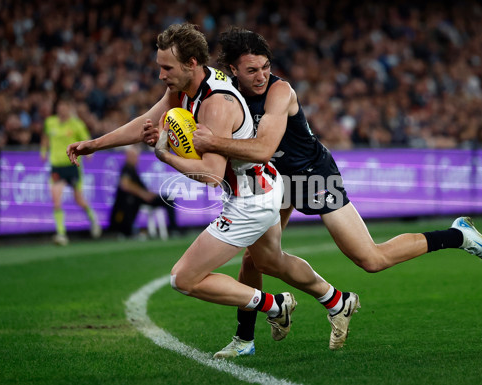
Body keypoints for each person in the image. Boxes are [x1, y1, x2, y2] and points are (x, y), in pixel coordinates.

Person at [190, 27, 482, 358]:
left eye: (266, 66)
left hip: (312, 176)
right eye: (252, 70)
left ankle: (457, 235)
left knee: (370, 258)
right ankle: (245, 340)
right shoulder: (225, 93)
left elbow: (264, 146)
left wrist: (210, 142)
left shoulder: (280, 91)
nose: (262, 75)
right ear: (233, 70)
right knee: (255, 259)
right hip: (274, 181)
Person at [69, 23, 359, 354]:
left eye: (167, 67)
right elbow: (146, 122)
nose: (161, 74)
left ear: (192, 63)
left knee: (184, 278)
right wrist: (95, 144)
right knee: (270, 262)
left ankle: (274, 306)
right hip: (263, 186)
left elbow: (210, 176)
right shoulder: (184, 87)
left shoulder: (215, 104)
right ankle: (337, 301)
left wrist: (166, 156)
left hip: (251, 200)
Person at [41, 96, 101, 246]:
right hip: (56, 167)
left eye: (65, 105)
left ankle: (93, 220)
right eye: (60, 105)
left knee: (78, 200)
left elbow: (87, 140)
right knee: (56, 200)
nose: (62, 109)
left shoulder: (76, 124)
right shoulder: (50, 122)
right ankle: (61, 234)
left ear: (69, 108)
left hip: (72, 166)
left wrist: (89, 153)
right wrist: (43, 150)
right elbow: (45, 137)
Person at [109, 145, 180, 238]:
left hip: (141, 198)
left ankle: (173, 229)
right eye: (134, 156)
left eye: (136, 156)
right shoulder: (127, 168)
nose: (136, 158)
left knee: (169, 198)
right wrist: (143, 194)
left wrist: (148, 193)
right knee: (130, 202)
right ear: (128, 156)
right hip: (136, 199)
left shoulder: (133, 169)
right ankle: (128, 230)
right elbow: (125, 185)